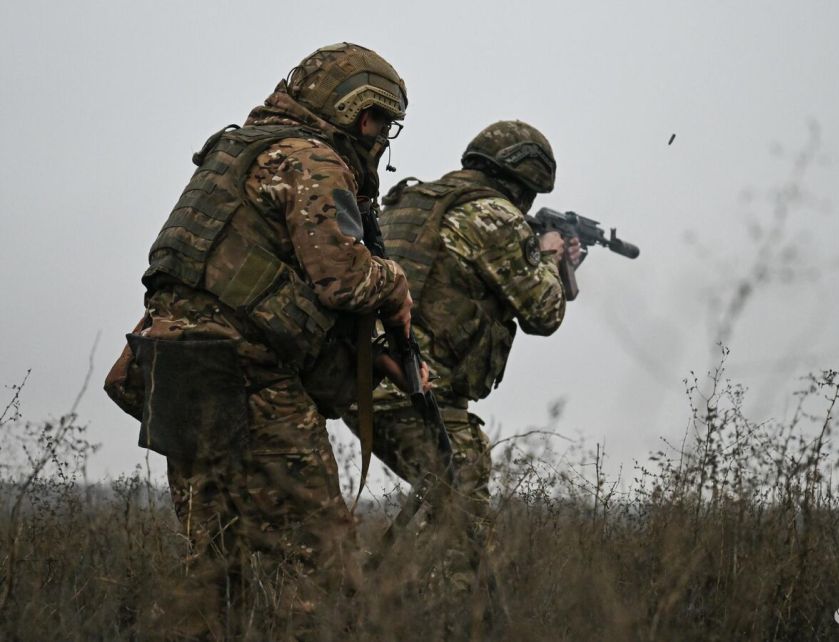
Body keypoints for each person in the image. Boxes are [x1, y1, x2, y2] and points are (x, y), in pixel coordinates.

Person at [104, 42, 412, 638]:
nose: (378, 136)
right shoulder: (309, 159)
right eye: (377, 120)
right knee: (324, 568)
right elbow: (345, 280)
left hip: (174, 368)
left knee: (211, 567)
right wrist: (394, 282)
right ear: (352, 111)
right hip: (247, 376)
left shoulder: (235, 151)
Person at [341, 120, 579, 595]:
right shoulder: (495, 217)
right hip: (416, 389)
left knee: (450, 496)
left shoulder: (419, 200)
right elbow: (544, 312)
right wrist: (552, 258)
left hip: (361, 381)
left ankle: (373, 600)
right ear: (526, 181)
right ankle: (450, 616)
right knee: (463, 515)